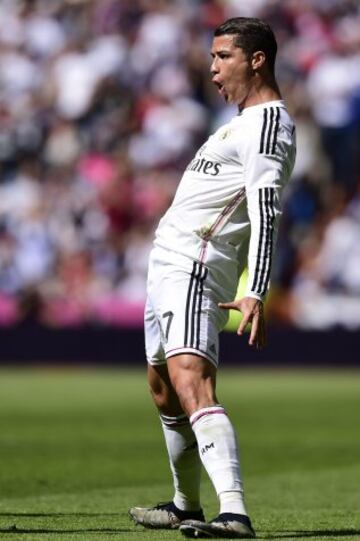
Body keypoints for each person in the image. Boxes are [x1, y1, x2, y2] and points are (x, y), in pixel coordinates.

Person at [129, 16, 296, 539]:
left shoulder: (268, 125)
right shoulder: (239, 123)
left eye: (222, 56)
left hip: (198, 264)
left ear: (257, 59)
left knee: (190, 380)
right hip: (168, 263)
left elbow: (266, 211)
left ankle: (236, 512)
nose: (213, 69)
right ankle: (186, 505)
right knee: (163, 388)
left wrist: (256, 290)